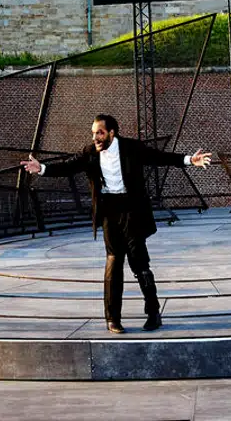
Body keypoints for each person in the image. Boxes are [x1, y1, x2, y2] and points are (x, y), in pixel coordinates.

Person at [21, 113, 212, 334]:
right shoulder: (90, 152)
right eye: (93, 133)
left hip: (132, 209)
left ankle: (153, 312)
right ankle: (113, 318)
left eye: (100, 133)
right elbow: (68, 166)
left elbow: (159, 157)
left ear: (112, 133)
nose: (95, 137)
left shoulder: (131, 148)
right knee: (113, 261)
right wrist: (42, 168)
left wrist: (189, 160)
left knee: (139, 262)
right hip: (109, 210)